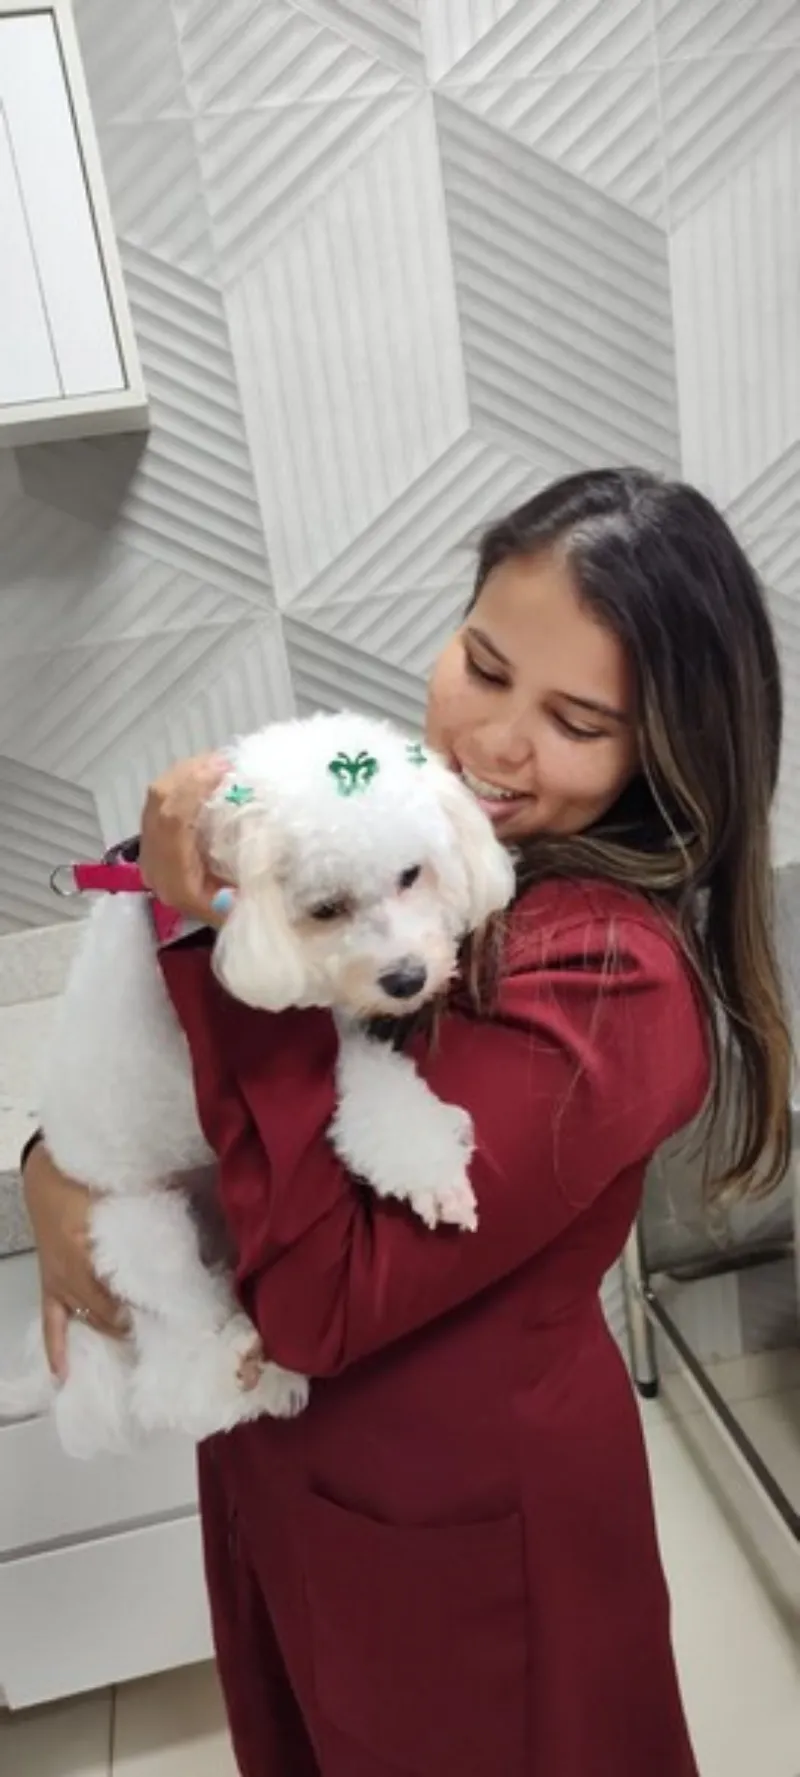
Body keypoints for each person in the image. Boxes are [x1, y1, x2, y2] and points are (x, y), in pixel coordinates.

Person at [23, 468, 791, 1777]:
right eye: (483, 665)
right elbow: (184, 1094)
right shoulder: (409, 835)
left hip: (459, 1521)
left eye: (577, 721)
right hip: (299, 1475)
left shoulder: (610, 980)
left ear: (667, 754)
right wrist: (57, 1168)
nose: (495, 741)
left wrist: (225, 935)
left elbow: (318, 1298)